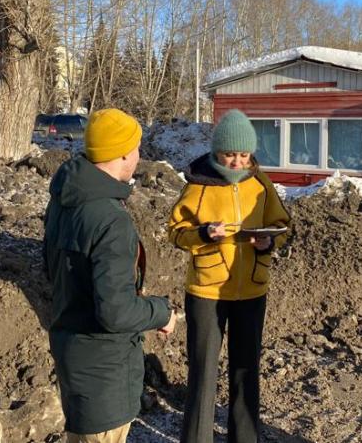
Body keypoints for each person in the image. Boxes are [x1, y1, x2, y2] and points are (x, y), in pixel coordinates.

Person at [44, 108, 177, 443]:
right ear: (122, 154)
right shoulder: (109, 219)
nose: (139, 155)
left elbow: (51, 270)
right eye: (136, 148)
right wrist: (161, 311)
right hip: (104, 372)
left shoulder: (64, 199)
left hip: (72, 353)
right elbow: (115, 312)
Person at [168, 109, 290, 443]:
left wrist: (268, 240)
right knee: (204, 372)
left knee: (246, 370)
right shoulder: (198, 185)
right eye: (229, 154)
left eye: (243, 154)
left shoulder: (261, 184)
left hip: (251, 290)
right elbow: (177, 232)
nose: (237, 162)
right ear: (216, 152)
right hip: (206, 291)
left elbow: (282, 224)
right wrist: (204, 233)